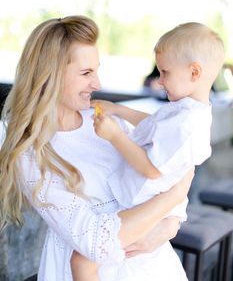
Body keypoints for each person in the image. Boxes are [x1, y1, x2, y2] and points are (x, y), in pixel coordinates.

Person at [0, 16, 193, 281]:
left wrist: (170, 225)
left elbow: (158, 176)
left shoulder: (106, 122)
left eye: (96, 70)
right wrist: (173, 197)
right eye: (85, 73)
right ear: (51, 75)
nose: (97, 84)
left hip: (155, 266)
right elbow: (94, 240)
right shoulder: (31, 154)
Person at [71, 22, 225, 281]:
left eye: (165, 72)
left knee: (88, 258)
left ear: (194, 72)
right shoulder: (184, 108)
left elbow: (151, 169)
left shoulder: (189, 124)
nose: (160, 80)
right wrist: (119, 110)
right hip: (143, 203)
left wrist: (115, 135)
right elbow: (153, 125)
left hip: (144, 208)